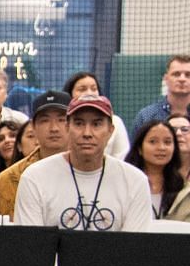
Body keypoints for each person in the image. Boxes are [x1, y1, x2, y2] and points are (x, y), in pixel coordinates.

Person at [11, 93, 150, 232]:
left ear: (110, 130)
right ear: (67, 128)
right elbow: (31, 246)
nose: (87, 133)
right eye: (79, 123)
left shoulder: (135, 182)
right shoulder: (34, 178)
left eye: (96, 124)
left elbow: (133, 249)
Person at [0, 91, 69, 218]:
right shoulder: (11, 178)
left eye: (61, 120)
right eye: (45, 121)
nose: (54, 128)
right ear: (33, 126)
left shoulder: (90, 169)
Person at [126, 118, 187, 220]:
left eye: (167, 142)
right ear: (139, 149)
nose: (161, 148)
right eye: (153, 142)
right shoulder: (126, 183)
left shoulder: (182, 188)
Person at [63, 71, 129, 159]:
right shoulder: (62, 122)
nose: (89, 93)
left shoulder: (116, 122)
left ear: (110, 129)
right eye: (82, 89)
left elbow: (122, 157)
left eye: (94, 89)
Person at [132, 53, 190, 133]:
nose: (182, 79)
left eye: (188, 75)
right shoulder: (146, 116)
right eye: (176, 74)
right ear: (166, 79)